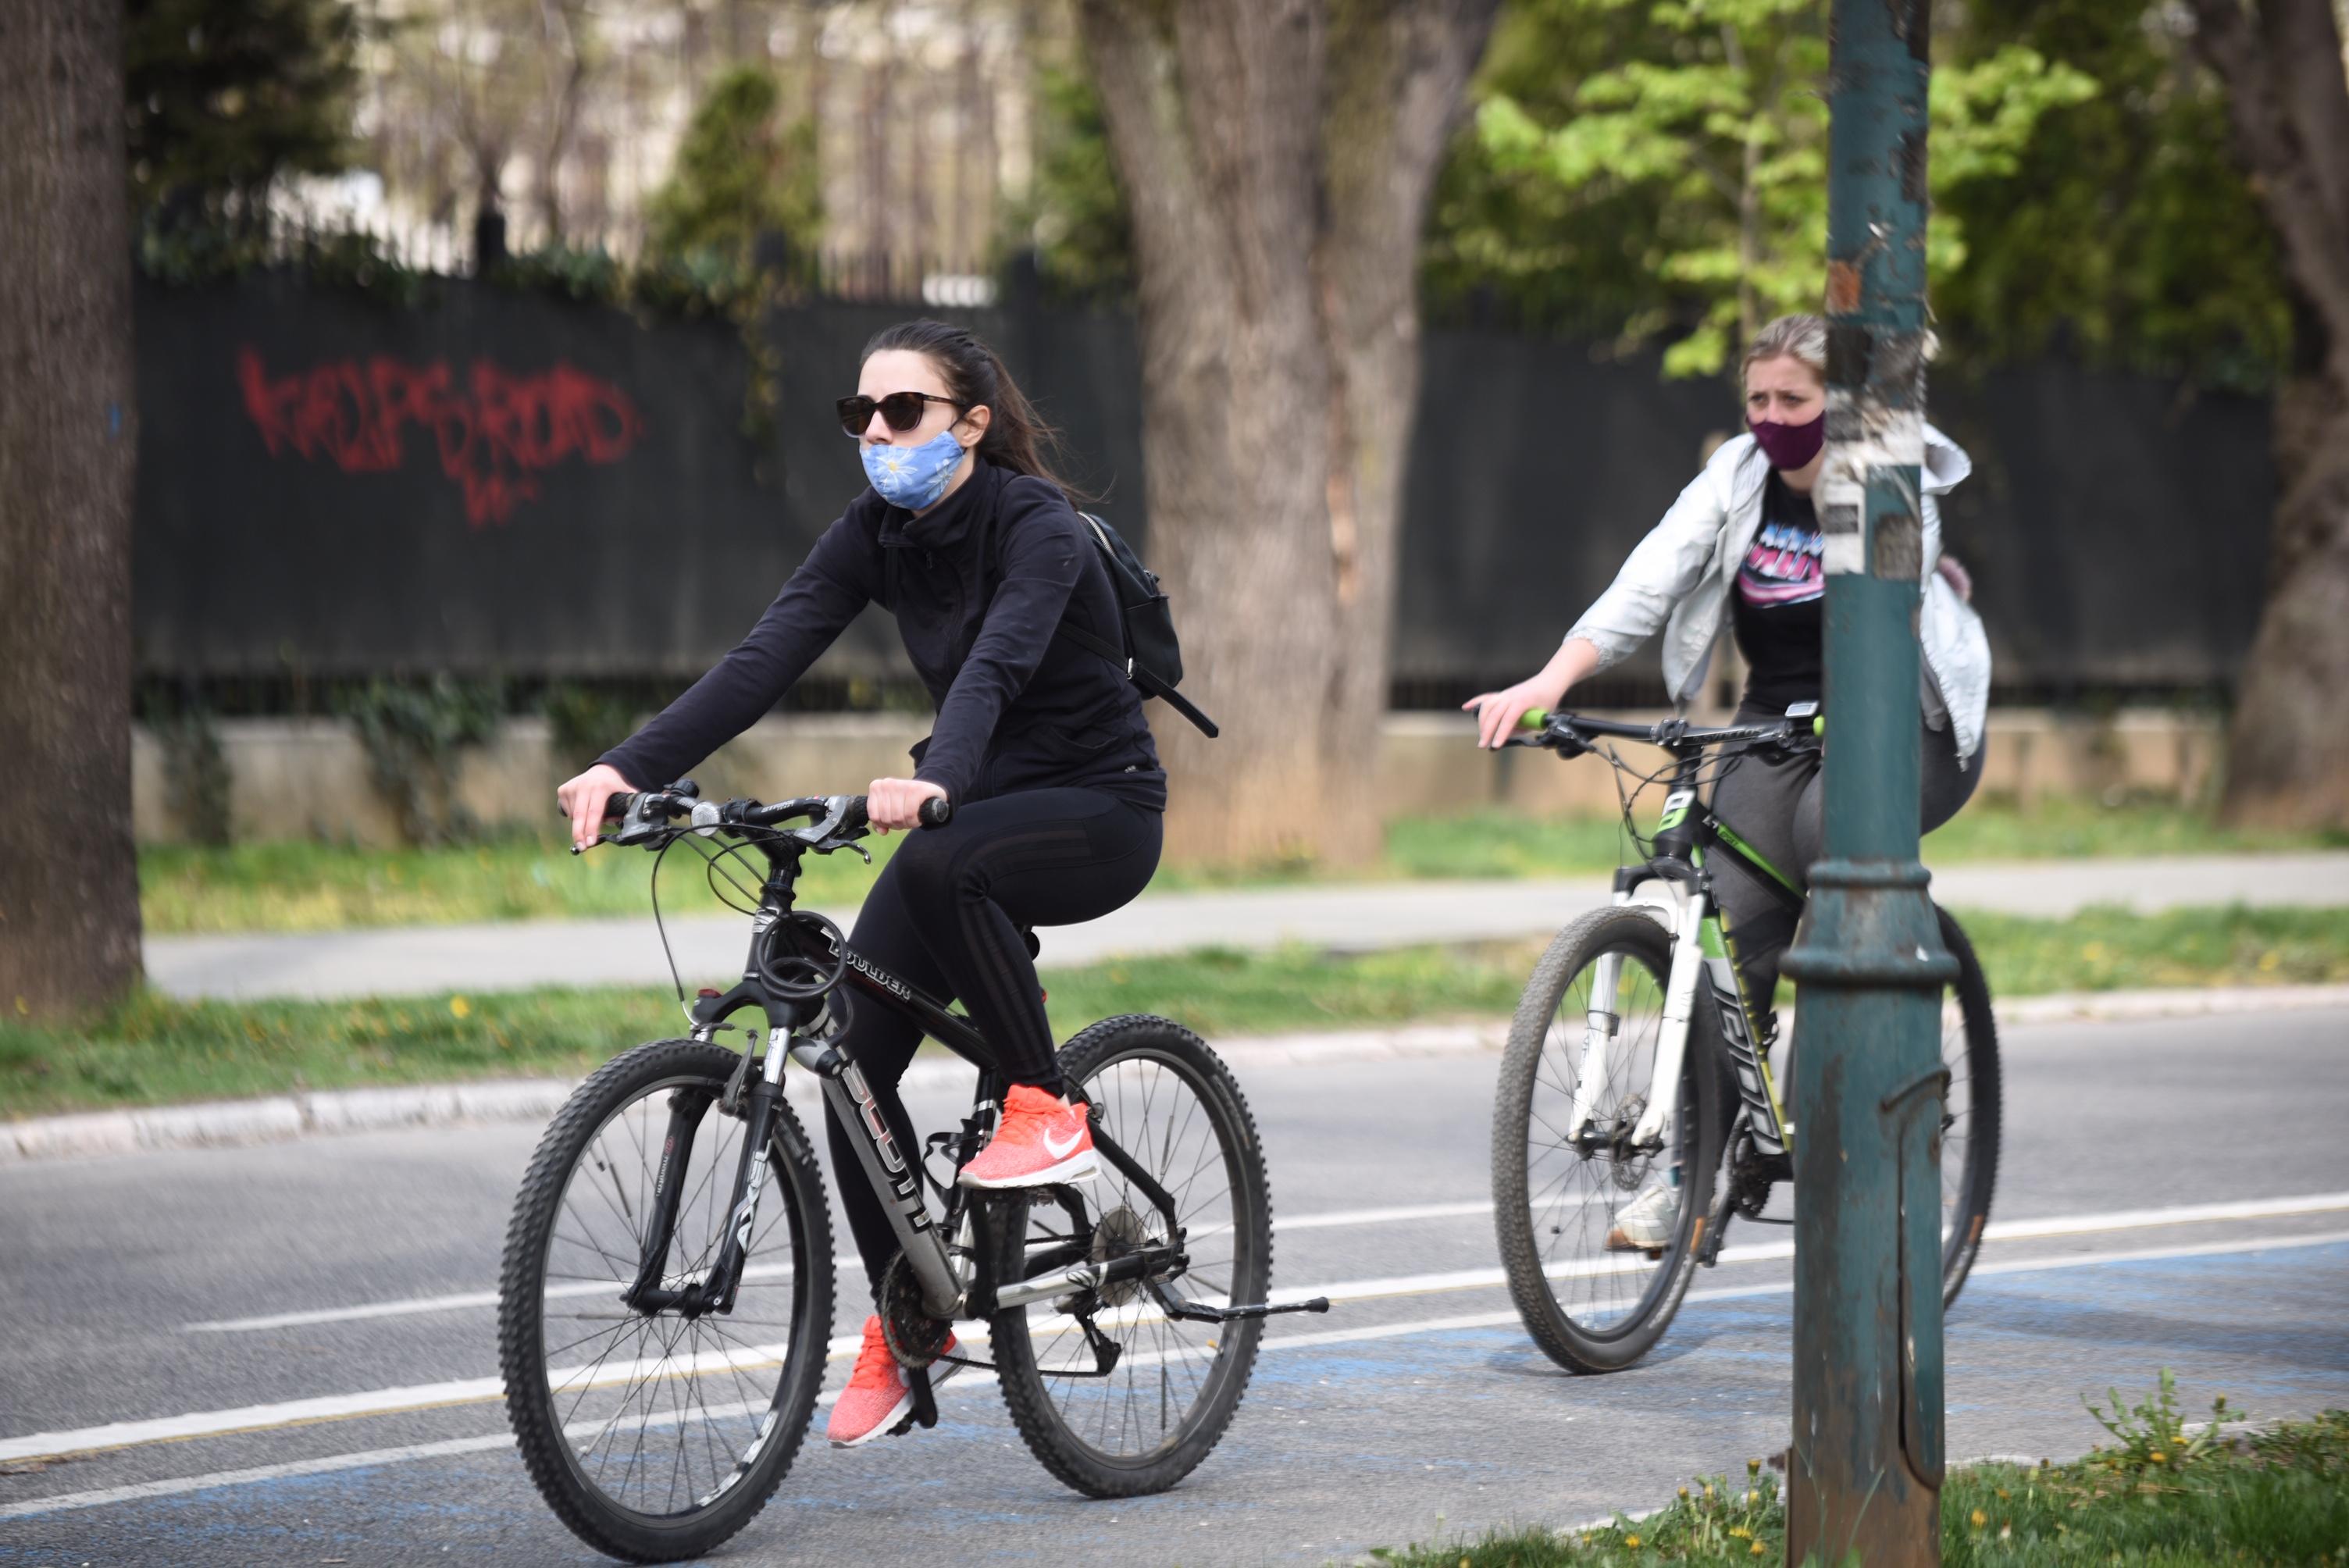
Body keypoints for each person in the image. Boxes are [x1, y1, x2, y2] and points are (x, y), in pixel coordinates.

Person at [555, 319, 1167, 1447]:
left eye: (903, 413)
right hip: (972, 805)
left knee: (941, 857)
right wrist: (627, 767)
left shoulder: (1037, 525)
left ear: (972, 425)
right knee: (850, 1049)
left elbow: (1000, 663)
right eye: (859, 416)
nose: (877, 436)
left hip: (1101, 804)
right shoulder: (876, 532)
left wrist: (933, 777)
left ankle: (1045, 1103)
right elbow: (765, 656)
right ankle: (910, 1316)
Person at [1463, 312, 1991, 1245]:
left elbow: (1896, 597)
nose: (1772, 415)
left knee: (1837, 848)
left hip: (1901, 717)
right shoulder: (1737, 475)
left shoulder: (1883, 474)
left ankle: (1867, 1097)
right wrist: (1549, 682)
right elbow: (1650, 575)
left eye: (1794, 397)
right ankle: (1685, 1178)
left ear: (1839, 402)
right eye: (1757, 398)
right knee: (1720, 949)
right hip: (1773, 722)